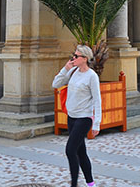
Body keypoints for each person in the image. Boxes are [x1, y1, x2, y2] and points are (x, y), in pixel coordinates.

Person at [52, 45, 102, 187]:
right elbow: (55, 84)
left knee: (70, 150)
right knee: (81, 152)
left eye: (76, 56)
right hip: (71, 117)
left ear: (85, 59)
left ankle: (74, 184)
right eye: (73, 55)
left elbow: (97, 100)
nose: (73, 58)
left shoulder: (92, 76)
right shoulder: (73, 71)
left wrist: (96, 123)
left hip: (84, 118)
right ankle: (90, 183)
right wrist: (65, 69)